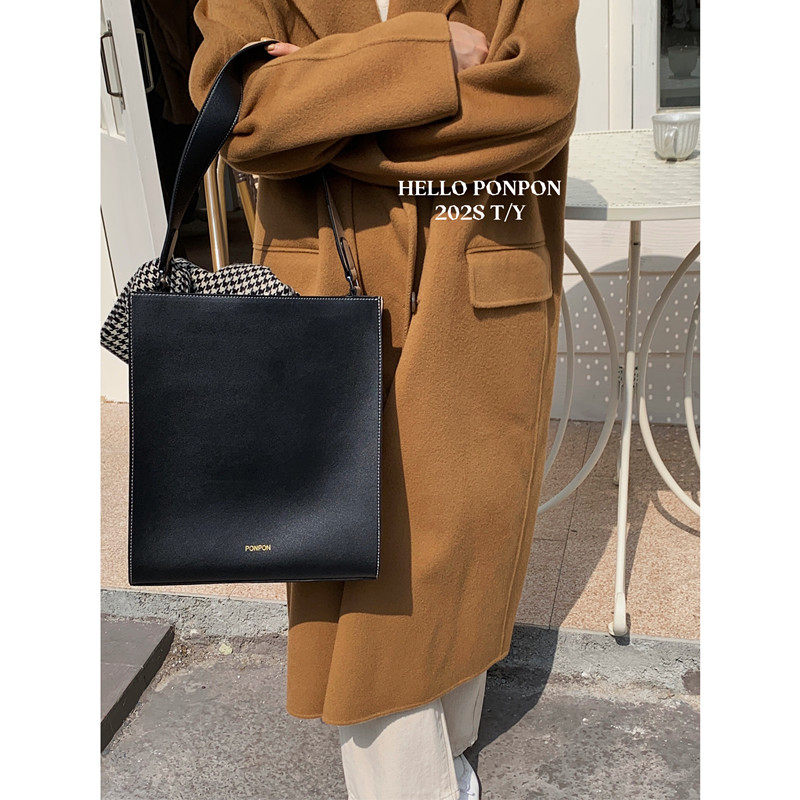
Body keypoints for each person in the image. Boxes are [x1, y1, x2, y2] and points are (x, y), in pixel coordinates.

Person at [189, 2, 579, 797]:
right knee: (349, 550)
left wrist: (327, 109)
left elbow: (535, 103)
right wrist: (425, 55)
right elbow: (246, 118)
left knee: (462, 542)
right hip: (321, 294)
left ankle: (453, 740)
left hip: (474, 299)